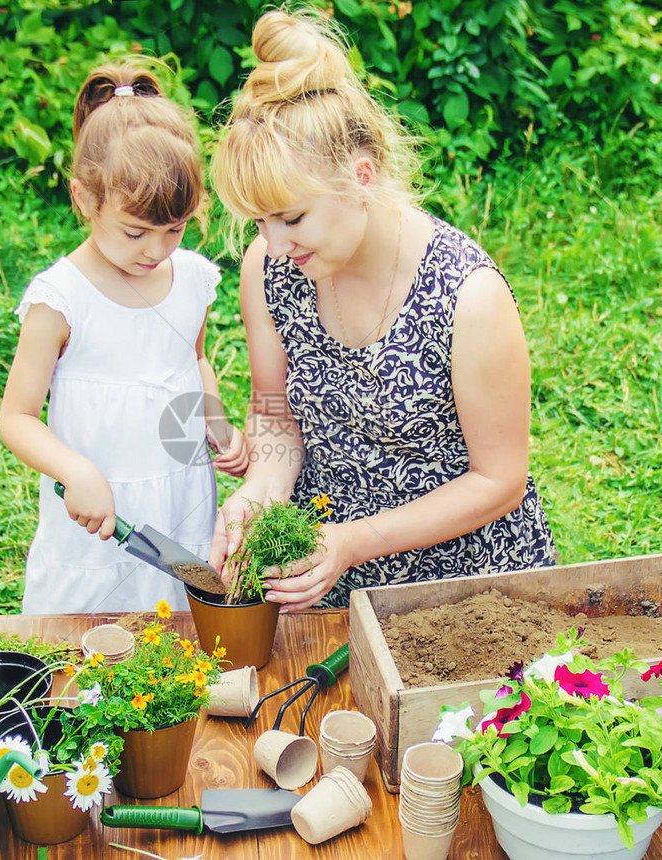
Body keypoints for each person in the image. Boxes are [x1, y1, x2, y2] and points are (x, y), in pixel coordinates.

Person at [209, 9, 556, 610]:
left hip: (462, 582)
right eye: (260, 221)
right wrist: (259, 492)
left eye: (292, 217)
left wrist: (355, 540)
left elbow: (500, 482)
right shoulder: (269, 266)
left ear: (361, 177)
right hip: (322, 569)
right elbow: (273, 410)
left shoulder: (467, 295)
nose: (276, 241)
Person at [0, 62, 248, 614]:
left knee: (179, 624)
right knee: (86, 635)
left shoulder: (192, 280)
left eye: (175, 229)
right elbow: (16, 417)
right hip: (99, 508)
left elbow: (194, 360)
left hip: (180, 493)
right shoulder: (60, 300)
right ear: (85, 198)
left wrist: (215, 419)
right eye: (136, 232)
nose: (157, 251)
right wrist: (75, 471)